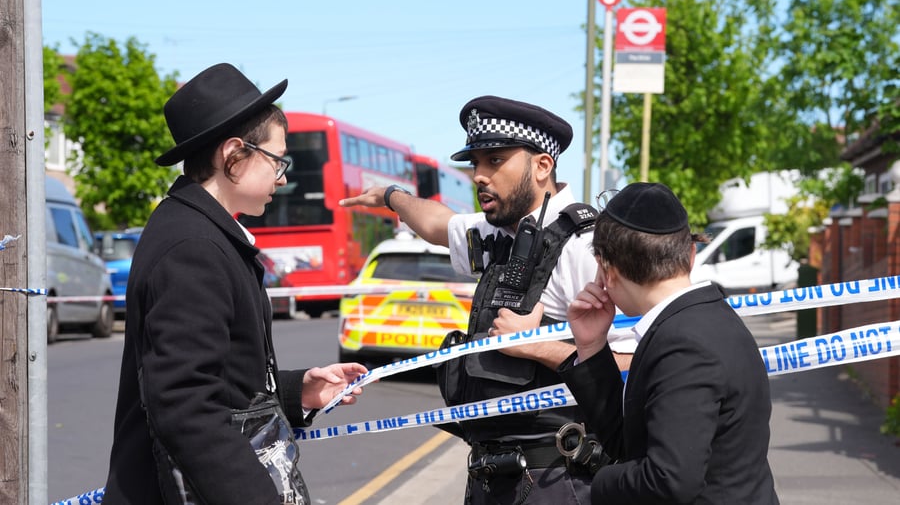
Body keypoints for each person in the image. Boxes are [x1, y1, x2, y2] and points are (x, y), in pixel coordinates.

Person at [104, 63, 368, 505]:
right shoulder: (193, 248)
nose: (283, 177)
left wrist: (296, 391)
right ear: (233, 155)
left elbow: (221, 380)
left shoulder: (201, 232)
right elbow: (186, 405)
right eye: (277, 160)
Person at [341, 96, 621, 504]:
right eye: (475, 163)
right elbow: (436, 224)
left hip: (560, 480)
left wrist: (537, 347)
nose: (479, 176)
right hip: (494, 479)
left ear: (543, 165)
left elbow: (637, 361)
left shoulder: (585, 246)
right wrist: (391, 196)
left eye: (495, 160)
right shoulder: (500, 233)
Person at [557, 182, 780, 504]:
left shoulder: (682, 342)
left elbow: (669, 479)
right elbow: (631, 443)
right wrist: (591, 347)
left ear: (607, 270)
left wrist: (599, 483)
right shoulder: (704, 319)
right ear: (691, 254)